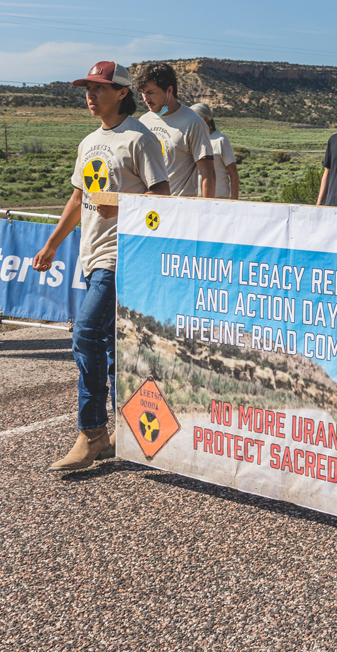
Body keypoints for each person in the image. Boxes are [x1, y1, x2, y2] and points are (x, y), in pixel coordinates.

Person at [33, 61, 169, 471]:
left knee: (86, 335)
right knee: (110, 349)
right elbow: (78, 200)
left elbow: (160, 198)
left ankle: (92, 434)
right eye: (87, 89)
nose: (91, 95)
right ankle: (130, 432)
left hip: (121, 256)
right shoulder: (89, 141)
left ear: (122, 92)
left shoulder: (139, 139)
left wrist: (123, 208)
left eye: (100, 88)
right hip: (91, 255)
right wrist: (52, 244)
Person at [133, 62, 215, 198]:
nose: (146, 99)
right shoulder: (143, 121)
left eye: (151, 92)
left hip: (179, 210)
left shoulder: (193, 122)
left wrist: (207, 213)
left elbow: (208, 174)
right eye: (143, 93)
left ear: (169, 90)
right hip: (148, 209)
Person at [189, 103, 239, 200]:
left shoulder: (220, 140)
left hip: (219, 199)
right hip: (193, 200)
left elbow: (233, 173)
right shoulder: (190, 141)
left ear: (204, 120)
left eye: (192, 118)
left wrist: (234, 201)